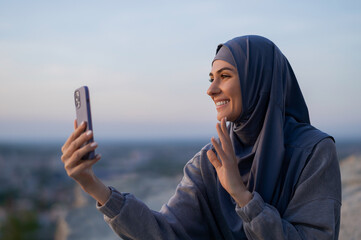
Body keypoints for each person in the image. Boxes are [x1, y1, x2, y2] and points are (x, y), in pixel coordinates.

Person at [61, 35, 341, 239]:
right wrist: (92, 185)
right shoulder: (210, 161)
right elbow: (165, 233)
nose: (211, 89)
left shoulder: (313, 152)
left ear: (258, 80)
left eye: (225, 76)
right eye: (211, 78)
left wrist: (241, 196)